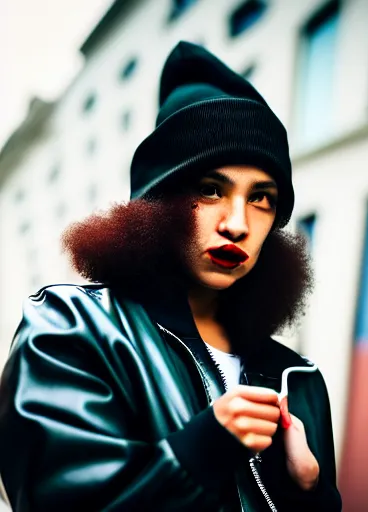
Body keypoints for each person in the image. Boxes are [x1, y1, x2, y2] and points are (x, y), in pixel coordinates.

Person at [0, 42, 342, 511]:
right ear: (158, 204)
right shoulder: (71, 328)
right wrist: (200, 450)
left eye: (261, 198)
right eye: (211, 189)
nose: (237, 222)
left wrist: (308, 494)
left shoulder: (299, 378)